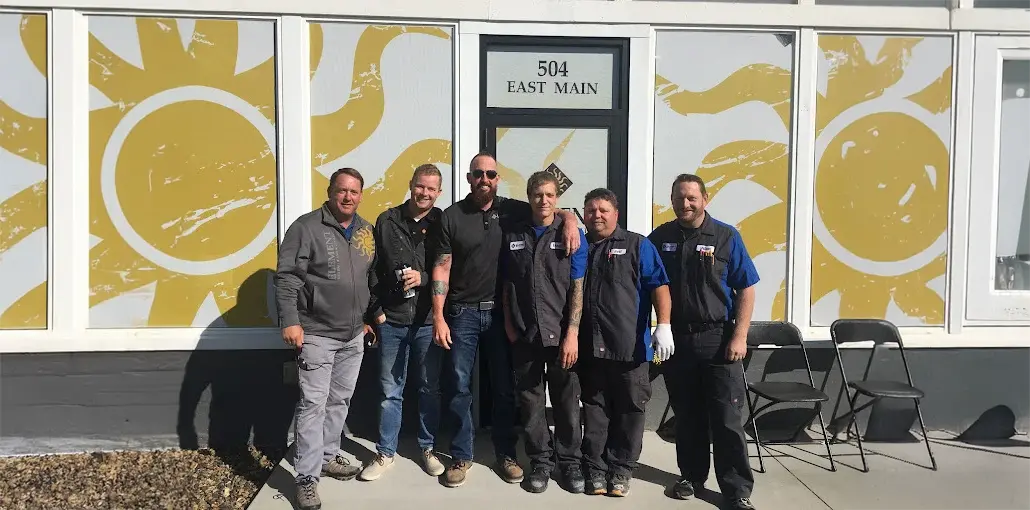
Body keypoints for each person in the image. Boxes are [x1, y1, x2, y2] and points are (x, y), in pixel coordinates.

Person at [429, 151, 582, 489]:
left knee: (504, 388)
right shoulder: (452, 216)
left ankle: (506, 454)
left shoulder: (512, 210)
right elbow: (441, 266)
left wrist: (570, 219)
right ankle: (461, 456)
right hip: (461, 314)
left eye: (490, 174)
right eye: (478, 174)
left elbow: (548, 208)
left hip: (502, 315)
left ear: (497, 179)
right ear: (469, 178)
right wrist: (438, 316)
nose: (484, 179)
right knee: (459, 387)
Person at [649, 173, 760, 510]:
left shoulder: (726, 237)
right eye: (678, 198)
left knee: (726, 419)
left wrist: (740, 335)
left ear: (705, 200)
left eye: (691, 198)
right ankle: (691, 476)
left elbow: (747, 288)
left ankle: (736, 490)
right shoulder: (660, 238)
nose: (685, 204)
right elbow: (644, 279)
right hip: (677, 340)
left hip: (718, 339)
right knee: (687, 415)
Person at [275, 168, 377, 510]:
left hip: (353, 335)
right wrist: (291, 321)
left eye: (354, 191)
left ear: (361, 195)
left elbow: (366, 279)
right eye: (341, 190)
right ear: (330, 191)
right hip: (316, 333)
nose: (348, 197)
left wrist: (365, 319)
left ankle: (328, 456)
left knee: (339, 401)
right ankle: (306, 478)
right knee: (313, 406)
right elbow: (287, 278)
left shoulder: (365, 231)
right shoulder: (306, 228)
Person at [578, 188, 674, 498]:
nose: (597, 215)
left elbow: (659, 286)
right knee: (594, 409)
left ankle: (621, 469)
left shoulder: (638, 245)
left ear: (616, 214)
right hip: (589, 348)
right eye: (591, 210)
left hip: (629, 348)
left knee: (630, 410)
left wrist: (663, 325)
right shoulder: (579, 246)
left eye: (603, 210)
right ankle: (595, 468)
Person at [500, 171, 589, 494]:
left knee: (567, 403)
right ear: (529, 197)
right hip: (525, 334)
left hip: (562, 335)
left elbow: (577, 286)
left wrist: (572, 334)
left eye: (550, 195)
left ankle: (570, 463)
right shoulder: (513, 234)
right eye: (538, 195)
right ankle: (540, 462)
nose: (544, 200)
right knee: (531, 403)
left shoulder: (572, 235)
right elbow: (507, 283)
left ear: (557, 198)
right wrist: (510, 325)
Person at [359, 164, 446, 482]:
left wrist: (423, 278)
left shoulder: (442, 222)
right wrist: (376, 311)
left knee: (429, 388)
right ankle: (386, 453)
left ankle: (428, 448)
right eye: (420, 186)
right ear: (411, 185)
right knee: (389, 391)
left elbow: (451, 268)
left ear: (439, 193)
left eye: (431, 189)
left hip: (426, 321)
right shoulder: (387, 220)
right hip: (392, 321)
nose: (425, 193)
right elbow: (373, 269)